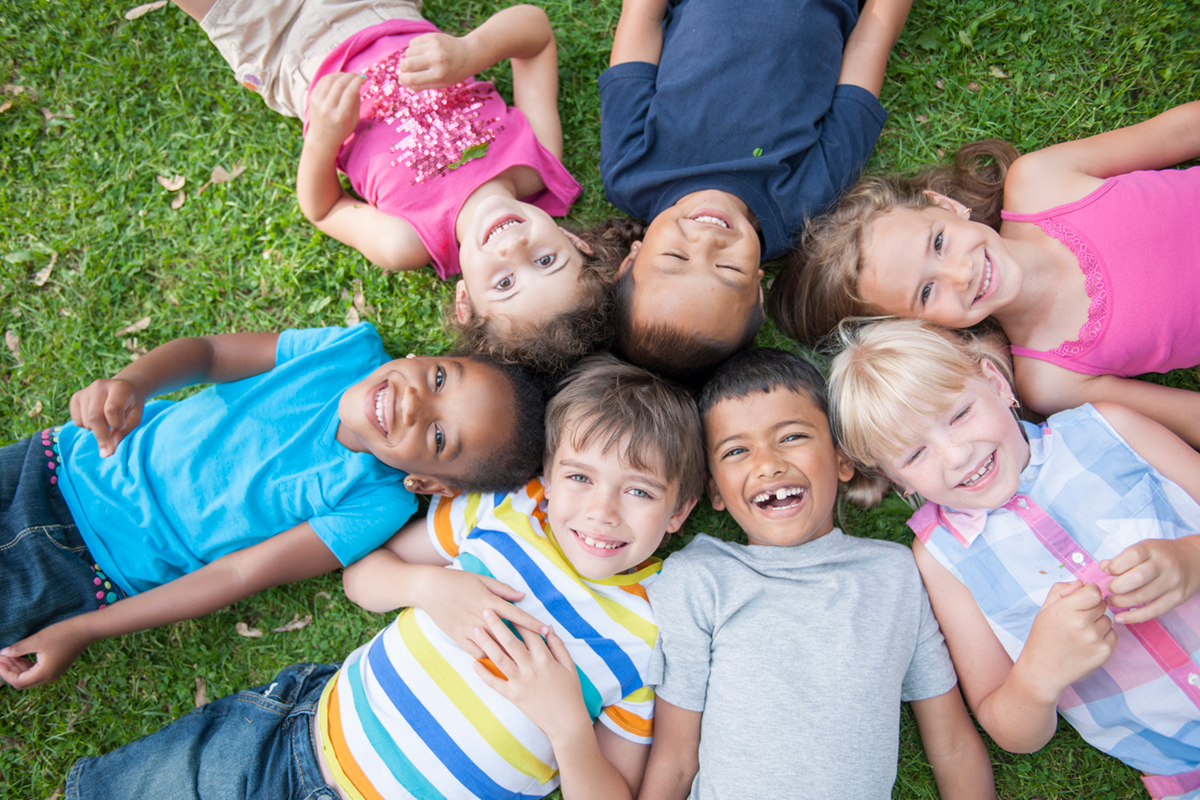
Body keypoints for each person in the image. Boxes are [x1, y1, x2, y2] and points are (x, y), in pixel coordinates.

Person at [65, 353, 707, 800]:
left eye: (641, 493)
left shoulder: (648, 637)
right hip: (293, 739)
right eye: (580, 477)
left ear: (679, 511)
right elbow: (362, 572)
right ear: (548, 472)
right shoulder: (507, 517)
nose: (600, 510)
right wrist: (426, 586)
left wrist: (569, 727)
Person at [0, 323, 546, 690]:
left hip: (81, 567)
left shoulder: (375, 506)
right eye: (440, 378)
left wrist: (83, 630)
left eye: (437, 436)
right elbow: (211, 354)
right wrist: (133, 382)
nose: (412, 400)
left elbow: (238, 573)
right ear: (424, 357)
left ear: (428, 483)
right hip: (55, 462)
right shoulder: (347, 350)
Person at [829, 319, 1200, 798]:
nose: (956, 455)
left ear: (997, 383)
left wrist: (1190, 557)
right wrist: (1038, 676)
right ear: (898, 480)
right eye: (915, 453)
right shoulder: (942, 560)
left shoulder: (1108, 428)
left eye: (959, 414)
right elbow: (1009, 728)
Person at [172, 0, 611, 375]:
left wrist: (323, 139)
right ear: (574, 240)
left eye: (504, 282)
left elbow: (323, 209)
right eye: (546, 259)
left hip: (288, 50)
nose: (512, 248)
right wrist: (468, 52)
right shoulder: (537, 161)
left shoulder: (408, 241)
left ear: (465, 302)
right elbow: (534, 33)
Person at [640, 347, 995, 799]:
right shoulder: (699, 578)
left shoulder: (894, 575)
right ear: (715, 490)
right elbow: (674, 759)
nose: (767, 463)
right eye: (737, 450)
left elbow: (951, 744)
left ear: (842, 459)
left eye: (791, 437)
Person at [772, 100, 1200, 448]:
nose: (960, 273)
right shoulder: (1051, 379)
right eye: (925, 292)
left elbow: (1180, 131)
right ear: (926, 331)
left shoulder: (1040, 181)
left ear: (945, 206)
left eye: (938, 242)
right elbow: (1187, 416)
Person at [596, 0, 912, 384]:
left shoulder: (631, 170)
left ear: (631, 259)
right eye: (728, 268)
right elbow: (869, 47)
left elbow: (641, 23)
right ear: (758, 291)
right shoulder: (806, 204)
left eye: (675, 255)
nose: (707, 242)